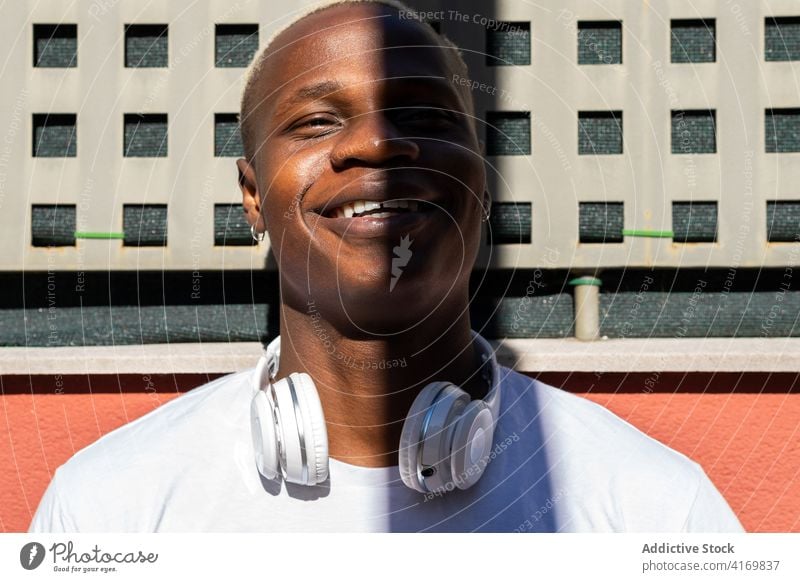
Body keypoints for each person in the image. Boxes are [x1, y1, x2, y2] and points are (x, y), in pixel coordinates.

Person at [29, 0, 743, 532]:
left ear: (482, 184)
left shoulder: (656, 510)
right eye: (316, 122)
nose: (375, 144)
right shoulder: (106, 509)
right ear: (252, 196)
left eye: (427, 118)